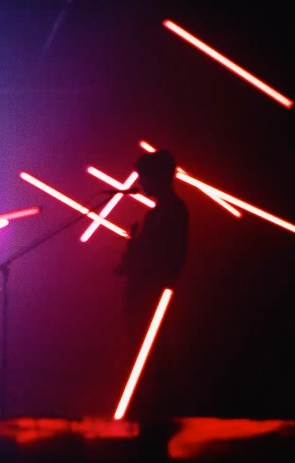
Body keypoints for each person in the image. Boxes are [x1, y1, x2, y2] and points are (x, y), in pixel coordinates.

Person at [113, 149, 189, 418]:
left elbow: (166, 258)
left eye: (144, 176)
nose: (140, 182)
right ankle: (151, 415)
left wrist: (135, 255)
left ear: (161, 176)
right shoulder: (158, 213)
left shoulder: (172, 212)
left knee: (153, 359)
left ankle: (155, 417)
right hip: (144, 297)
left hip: (152, 297)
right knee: (147, 357)